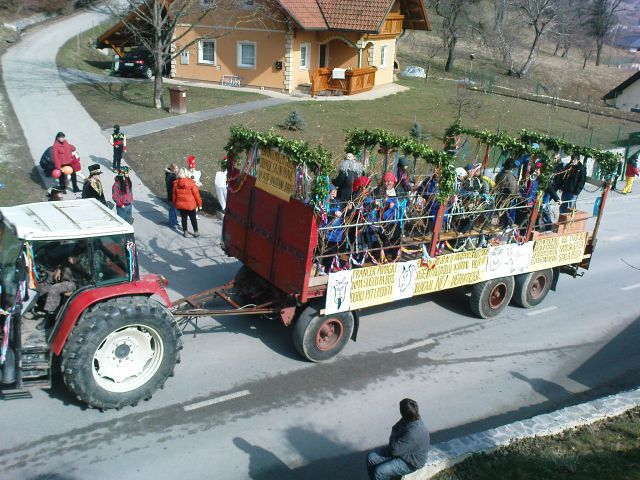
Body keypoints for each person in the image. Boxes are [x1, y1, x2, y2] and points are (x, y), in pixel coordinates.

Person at [366, 398, 430, 480]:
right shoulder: (410, 417)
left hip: (411, 461)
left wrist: (394, 435)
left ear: (402, 413)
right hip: (402, 449)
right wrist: (396, 435)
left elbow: (394, 449)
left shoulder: (413, 432)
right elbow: (396, 427)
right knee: (370, 457)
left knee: (379, 471)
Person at [173, 167, 202, 237]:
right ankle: (196, 231)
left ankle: (185, 232)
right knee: (193, 218)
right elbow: (196, 195)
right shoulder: (191, 183)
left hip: (181, 205)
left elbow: (174, 195)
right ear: (186, 174)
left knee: (184, 218)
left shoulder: (176, 184)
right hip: (191, 205)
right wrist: (200, 204)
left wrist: (175, 204)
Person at [165, 162, 179, 228]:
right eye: (176, 168)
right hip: (172, 195)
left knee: (174, 209)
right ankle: (172, 223)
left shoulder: (170, 175)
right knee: (172, 209)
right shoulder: (172, 176)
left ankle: (174, 221)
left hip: (171, 195)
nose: (177, 169)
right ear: (173, 169)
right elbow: (173, 186)